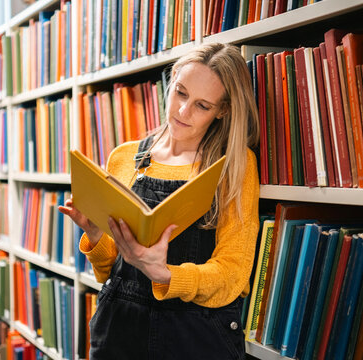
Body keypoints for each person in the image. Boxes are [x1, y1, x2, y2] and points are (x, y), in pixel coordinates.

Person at [59, 42, 260, 360]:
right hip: (120, 329)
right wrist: (96, 233)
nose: (182, 112)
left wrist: (165, 275)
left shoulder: (235, 164)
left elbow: (232, 275)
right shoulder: (125, 157)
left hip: (195, 335)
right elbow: (107, 272)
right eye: (180, 93)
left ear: (223, 110)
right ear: (172, 80)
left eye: (202, 105)